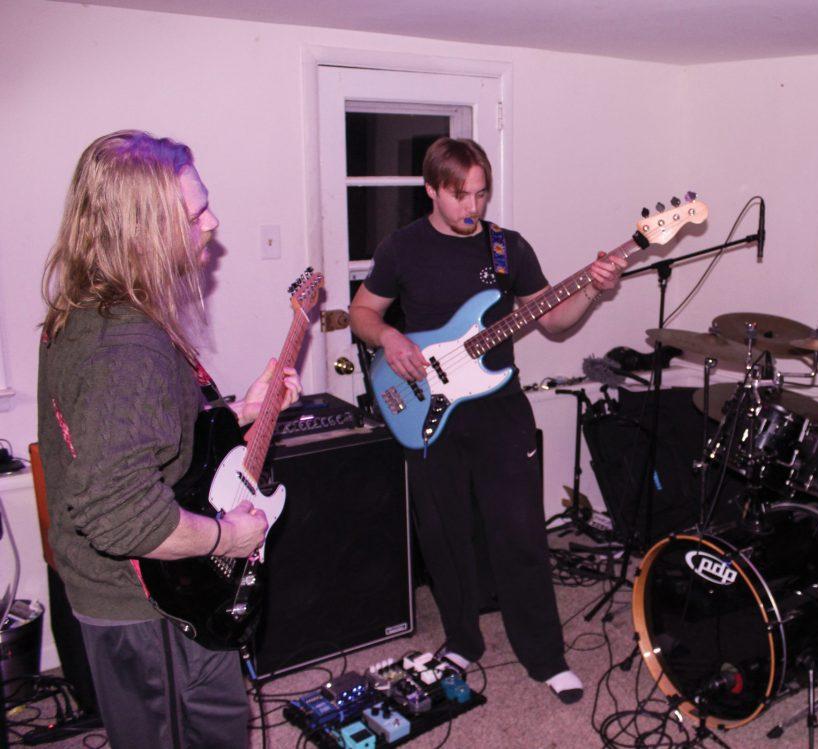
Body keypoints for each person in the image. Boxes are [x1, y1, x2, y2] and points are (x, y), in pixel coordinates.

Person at [37, 130, 301, 748]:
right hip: (153, 605)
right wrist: (231, 535)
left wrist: (240, 411)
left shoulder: (91, 308)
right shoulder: (127, 347)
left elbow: (141, 442)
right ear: (140, 233)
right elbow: (121, 515)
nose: (213, 223)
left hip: (132, 597)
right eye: (195, 212)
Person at [349, 137, 626, 704]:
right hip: (425, 407)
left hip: (500, 409)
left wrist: (595, 292)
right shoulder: (401, 247)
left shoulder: (508, 248)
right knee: (445, 533)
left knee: (520, 532)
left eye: (480, 193)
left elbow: (553, 322)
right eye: (458, 196)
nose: (471, 207)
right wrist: (391, 336)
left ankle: (545, 656)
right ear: (430, 190)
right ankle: (461, 640)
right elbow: (361, 313)